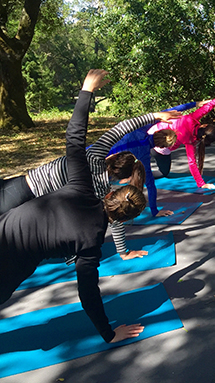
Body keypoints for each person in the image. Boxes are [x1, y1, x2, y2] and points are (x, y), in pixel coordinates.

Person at [0, 70, 147, 343]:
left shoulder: (80, 186)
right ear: (124, 219)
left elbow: (74, 139)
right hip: (13, 264)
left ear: (112, 192)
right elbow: (88, 293)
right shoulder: (91, 243)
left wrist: (87, 90)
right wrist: (109, 333)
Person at [0, 92, 181, 260]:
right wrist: (123, 252)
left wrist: (156, 116)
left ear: (115, 156)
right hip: (37, 208)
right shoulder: (102, 189)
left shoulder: (94, 155)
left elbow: (120, 128)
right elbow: (115, 218)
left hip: (22, 188)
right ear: (122, 179)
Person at [109, 101, 199, 217]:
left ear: (158, 131)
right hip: (105, 169)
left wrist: (195, 104)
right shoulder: (144, 157)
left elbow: (170, 111)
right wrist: (154, 211)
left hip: (90, 152)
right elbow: (151, 186)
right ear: (161, 147)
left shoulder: (141, 128)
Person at [149, 89, 215, 189]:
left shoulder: (192, 118)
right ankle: (143, 172)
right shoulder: (191, 142)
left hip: (151, 132)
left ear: (204, 125)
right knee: (164, 172)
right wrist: (201, 184)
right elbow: (192, 163)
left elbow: (211, 104)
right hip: (159, 147)